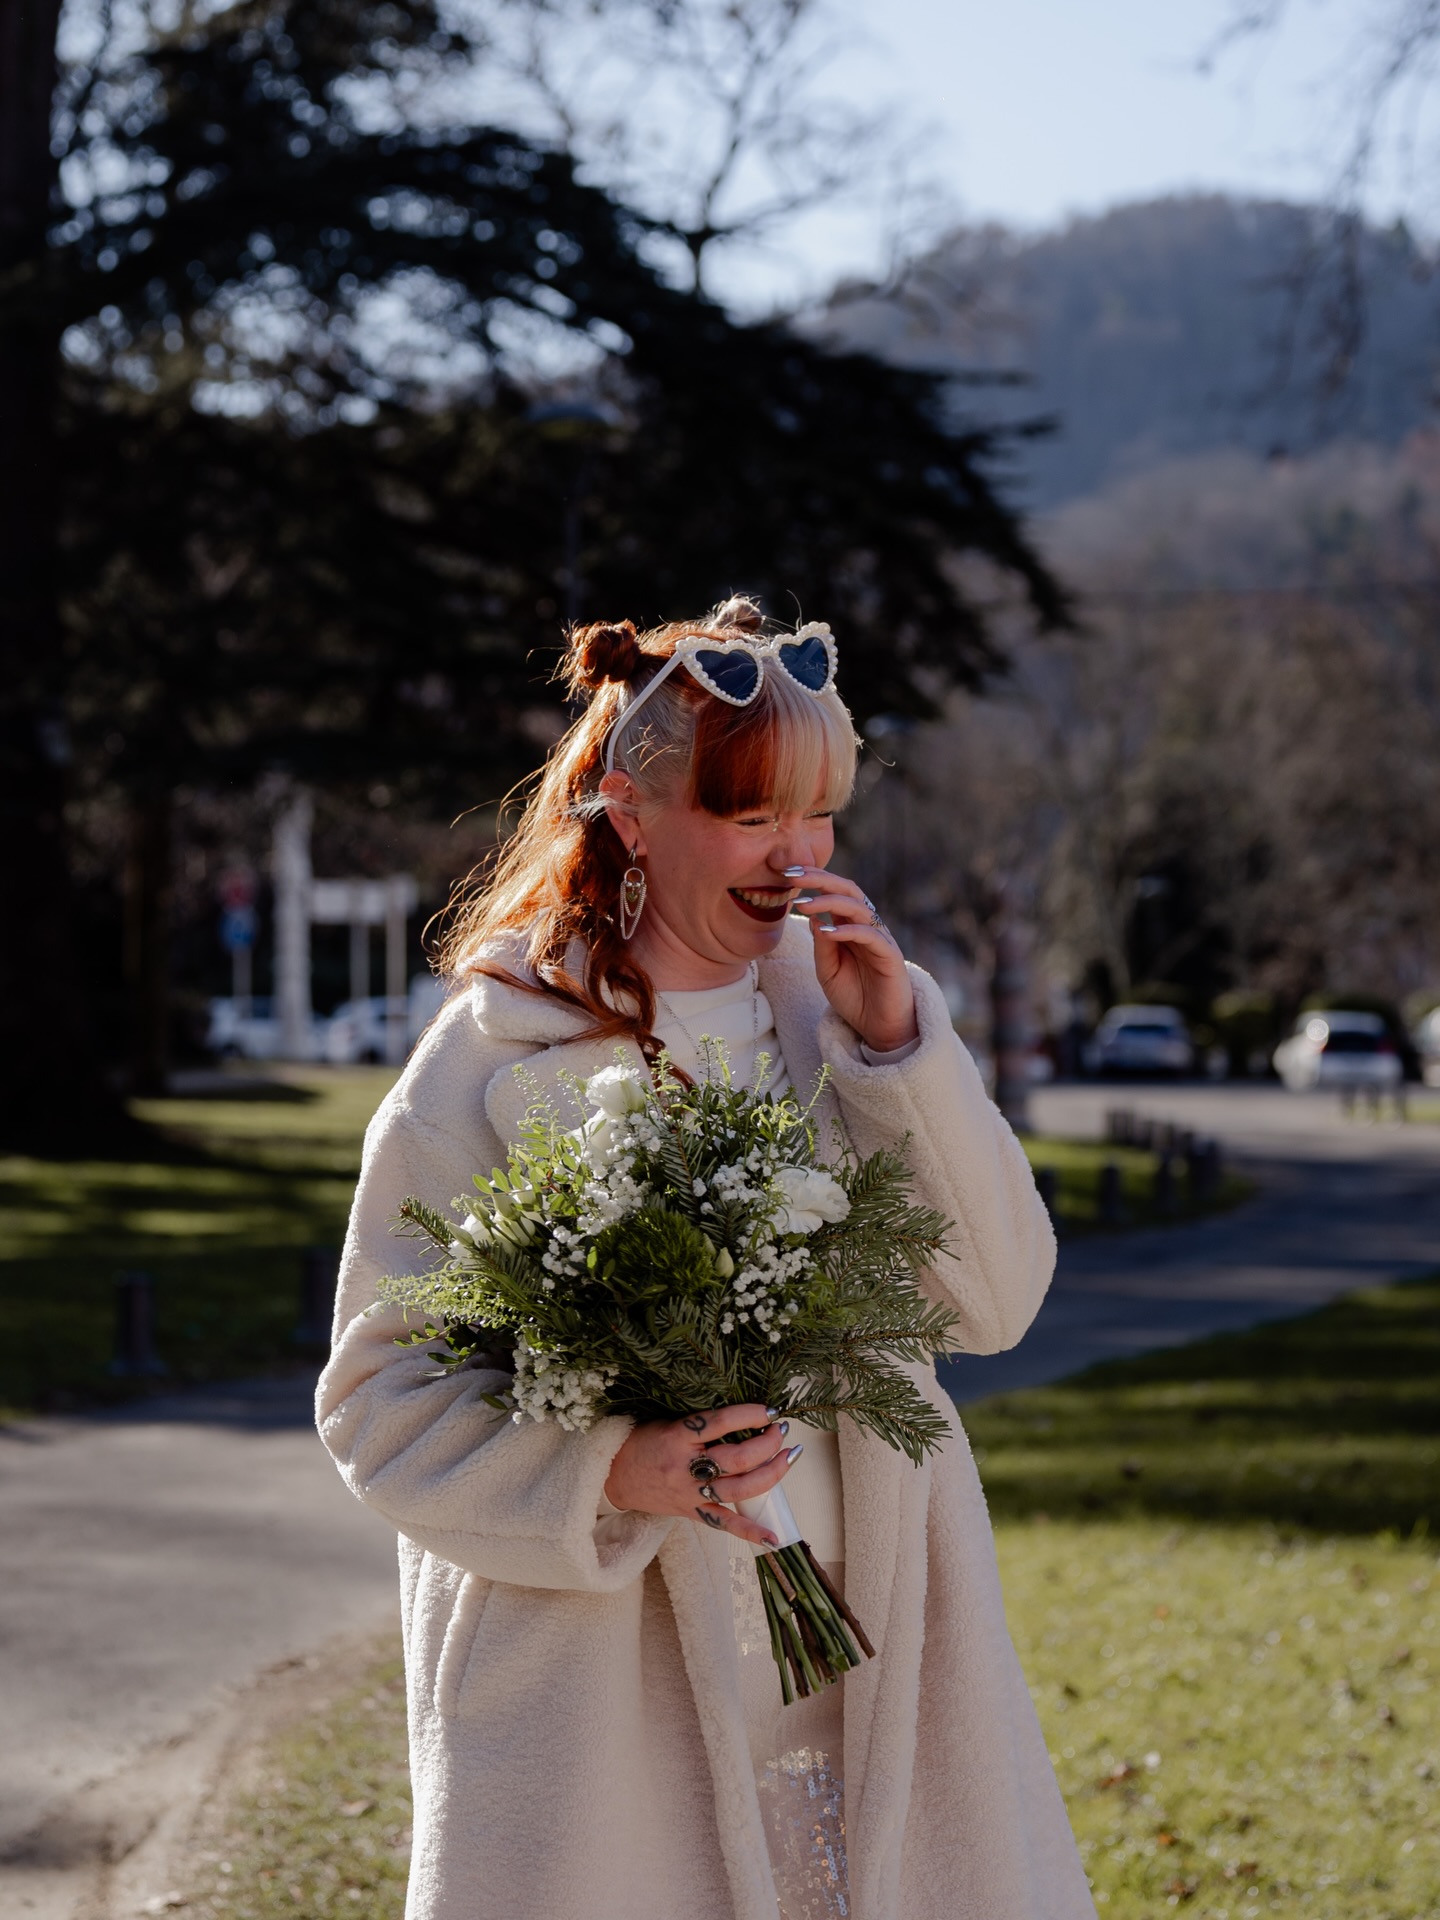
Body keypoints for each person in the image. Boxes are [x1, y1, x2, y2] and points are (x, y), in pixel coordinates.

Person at [316, 597, 1096, 1920]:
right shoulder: (498, 1051)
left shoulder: (857, 1008)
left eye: (818, 811)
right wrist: (611, 1468)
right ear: (630, 812)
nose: (797, 854)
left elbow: (995, 1302)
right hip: (606, 1705)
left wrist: (900, 1052)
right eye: (751, 816)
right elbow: (380, 1403)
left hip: (874, 1653)